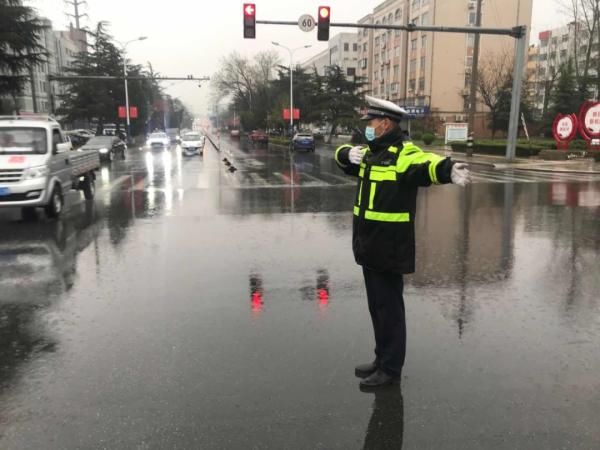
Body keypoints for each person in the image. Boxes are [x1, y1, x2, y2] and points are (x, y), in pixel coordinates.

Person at [334, 96, 471, 388]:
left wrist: (448, 170)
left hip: (389, 245)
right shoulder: (373, 152)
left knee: (389, 310)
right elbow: (343, 157)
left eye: (371, 123)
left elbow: (425, 164)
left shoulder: (402, 153)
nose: (368, 128)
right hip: (369, 243)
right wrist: (347, 155)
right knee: (377, 307)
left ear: (384, 123)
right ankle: (381, 358)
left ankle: (391, 369)